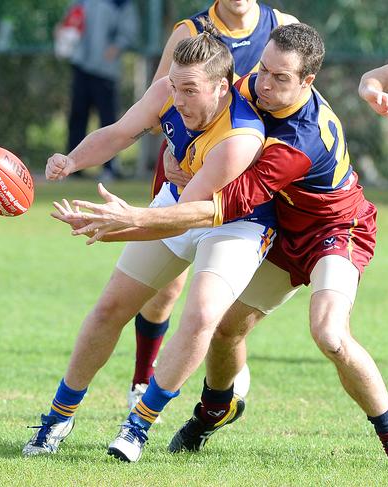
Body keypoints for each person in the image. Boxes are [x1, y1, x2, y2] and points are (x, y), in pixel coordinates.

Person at [57, 23, 388, 463]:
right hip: (281, 228)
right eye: (264, 70)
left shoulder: (299, 142)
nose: (264, 84)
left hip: (333, 231)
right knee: (223, 327)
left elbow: (220, 206)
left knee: (329, 333)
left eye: (280, 78)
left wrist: (132, 219)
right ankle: (216, 408)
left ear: (308, 82)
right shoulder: (253, 86)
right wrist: (184, 155)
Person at [23, 29, 277, 462]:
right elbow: (120, 133)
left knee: (200, 317)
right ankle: (57, 418)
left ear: (221, 87)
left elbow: (180, 220)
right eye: (175, 86)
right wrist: (73, 160)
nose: (177, 99)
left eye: (190, 90)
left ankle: (137, 426)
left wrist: (112, 224)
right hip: (180, 202)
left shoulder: (241, 136)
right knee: (110, 307)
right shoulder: (168, 90)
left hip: (235, 224)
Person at [127, 0, 297, 412]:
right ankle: (140, 380)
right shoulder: (191, 29)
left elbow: (299, 105)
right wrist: (171, 149)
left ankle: (224, 373)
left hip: (250, 174)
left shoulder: (284, 28)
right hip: (188, 162)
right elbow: (161, 103)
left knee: (217, 298)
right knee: (161, 289)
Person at [61, 0, 139, 181]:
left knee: (108, 119)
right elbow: (71, 21)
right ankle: (72, 167)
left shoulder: (122, 3)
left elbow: (129, 32)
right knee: (77, 116)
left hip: (106, 70)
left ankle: (110, 168)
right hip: (81, 66)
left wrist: (116, 46)